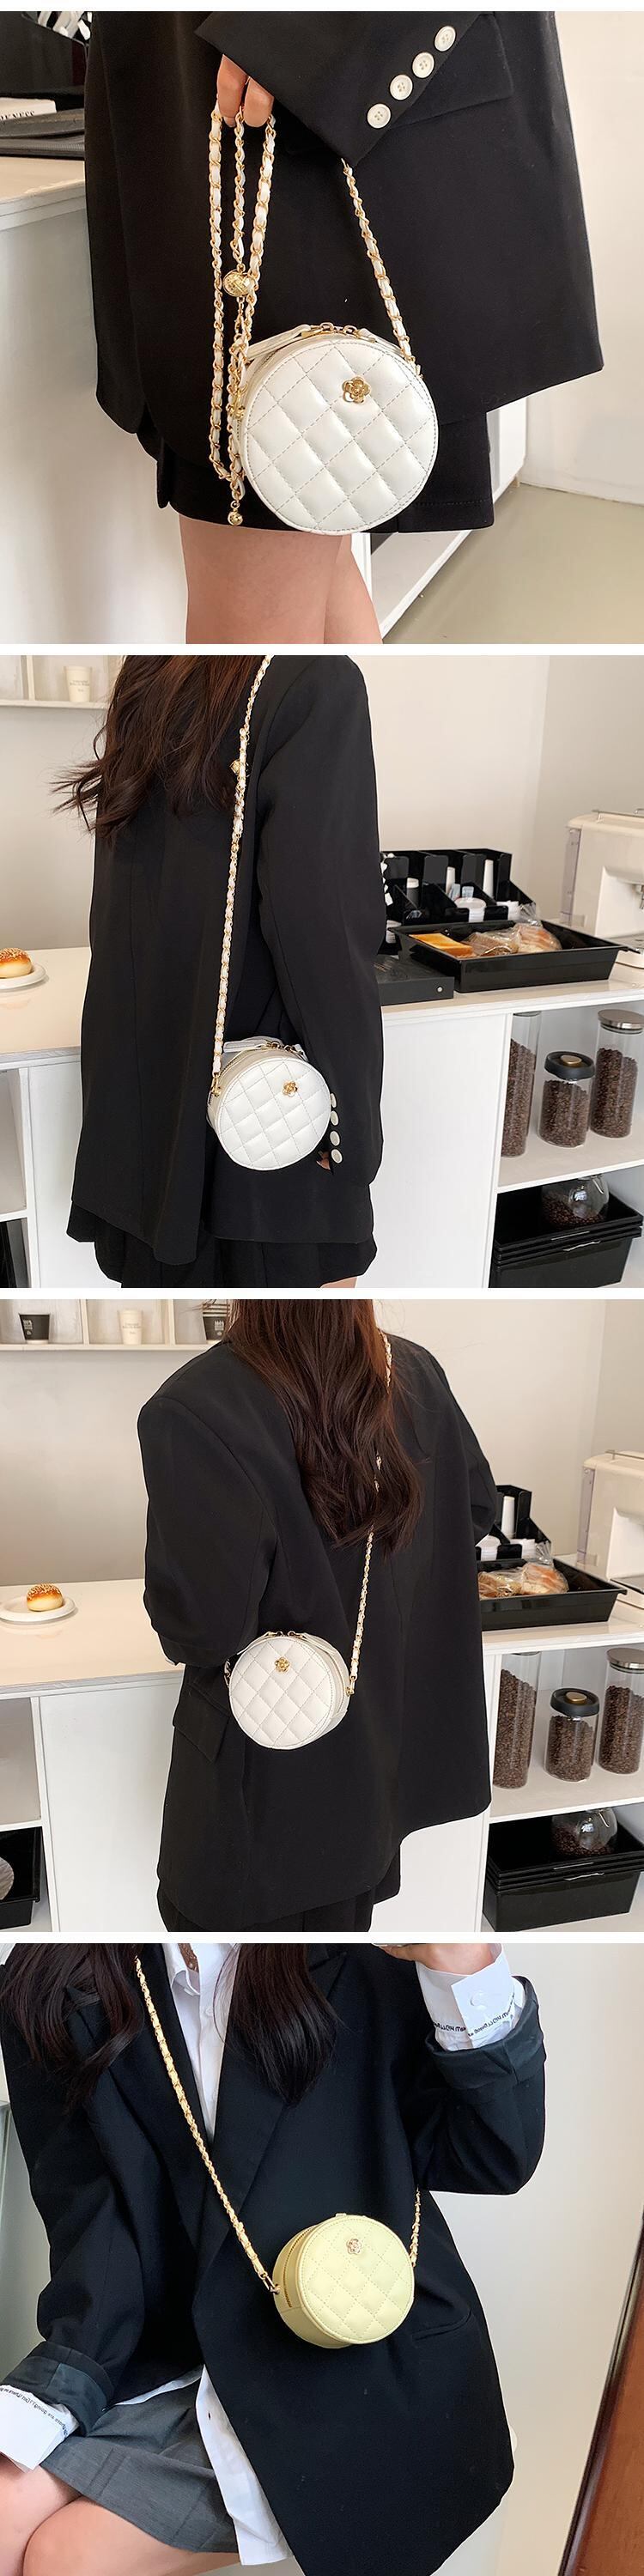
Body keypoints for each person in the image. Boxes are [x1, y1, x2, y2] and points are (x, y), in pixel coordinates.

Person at [0, 1937, 546, 2576]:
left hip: (358, 2361)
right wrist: (56, 2394)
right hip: (175, 2361)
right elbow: (93, 2225)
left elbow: (495, 2155)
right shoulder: (50, 1976)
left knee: (67, 2557)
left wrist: (463, 1966)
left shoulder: (358, 1943)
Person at [83, 15, 601, 641]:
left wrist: (294, 32)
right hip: (226, 102)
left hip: (280, 100)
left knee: (248, 611)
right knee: (306, 534)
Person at [138, 1302, 498, 1929]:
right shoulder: (410, 1368)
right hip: (378, 1763)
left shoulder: (194, 1405)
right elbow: (474, 1511)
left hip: (266, 1797)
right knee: (332, 1957)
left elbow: (203, 1630)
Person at [64, 653, 385, 1288]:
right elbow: (320, 927)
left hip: (149, 1112)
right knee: (303, 1324)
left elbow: (121, 896)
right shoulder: (315, 680)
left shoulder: (153, 669)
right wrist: (353, 1131)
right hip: (265, 1117)